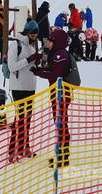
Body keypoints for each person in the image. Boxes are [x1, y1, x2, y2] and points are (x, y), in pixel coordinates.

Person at [30, 28, 75, 169]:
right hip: (57, 93)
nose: (48, 43)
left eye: (51, 41)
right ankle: (61, 154)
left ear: (57, 42)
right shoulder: (56, 53)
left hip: (61, 94)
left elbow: (55, 74)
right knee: (59, 123)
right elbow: (52, 70)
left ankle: (63, 156)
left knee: (61, 124)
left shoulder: (60, 55)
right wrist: (39, 69)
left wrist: (39, 73)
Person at [6, 20, 39, 163]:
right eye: (32, 35)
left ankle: (24, 147)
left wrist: (37, 63)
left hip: (30, 87)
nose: (34, 37)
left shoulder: (31, 46)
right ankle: (12, 150)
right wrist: (28, 59)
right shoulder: (15, 44)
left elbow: (31, 66)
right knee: (19, 119)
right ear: (27, 33)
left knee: (28, 119)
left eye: (36, 35)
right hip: (18, 87)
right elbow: (12, 66)